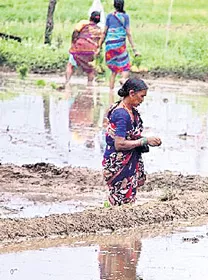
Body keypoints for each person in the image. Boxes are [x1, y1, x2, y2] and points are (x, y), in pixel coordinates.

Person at [102, 78, 161, 206]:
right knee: (120, 200)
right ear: (132, 93)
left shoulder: (131, 111)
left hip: (128, 161)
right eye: (141, 96)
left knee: (125, 200)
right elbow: (119, 144)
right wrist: (144, 141)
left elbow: (130, 135)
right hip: (119, 163)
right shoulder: (122, 114)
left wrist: (146, 140)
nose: (142, 100)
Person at [97, 0, 140, 91]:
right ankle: (123, 79)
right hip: (119, 44)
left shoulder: (109, 16)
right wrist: (134, 48)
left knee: (113, 70)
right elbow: (128, 32)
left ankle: (111, 92)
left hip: (109, 45)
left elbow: (104, 32)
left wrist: (99, 47)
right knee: (125, 66)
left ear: (114, 5)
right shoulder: (125, 17)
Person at [64, 11, 103, 86]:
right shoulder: (99, 30)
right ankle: (90, 85)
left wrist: (73, 43)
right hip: (91, 51)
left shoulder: (83, 23)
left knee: (70, 65)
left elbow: (75, 32)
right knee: (90, 70)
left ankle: (67, 82)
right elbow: (100, 43)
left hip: (78, 48)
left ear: (90, 17)